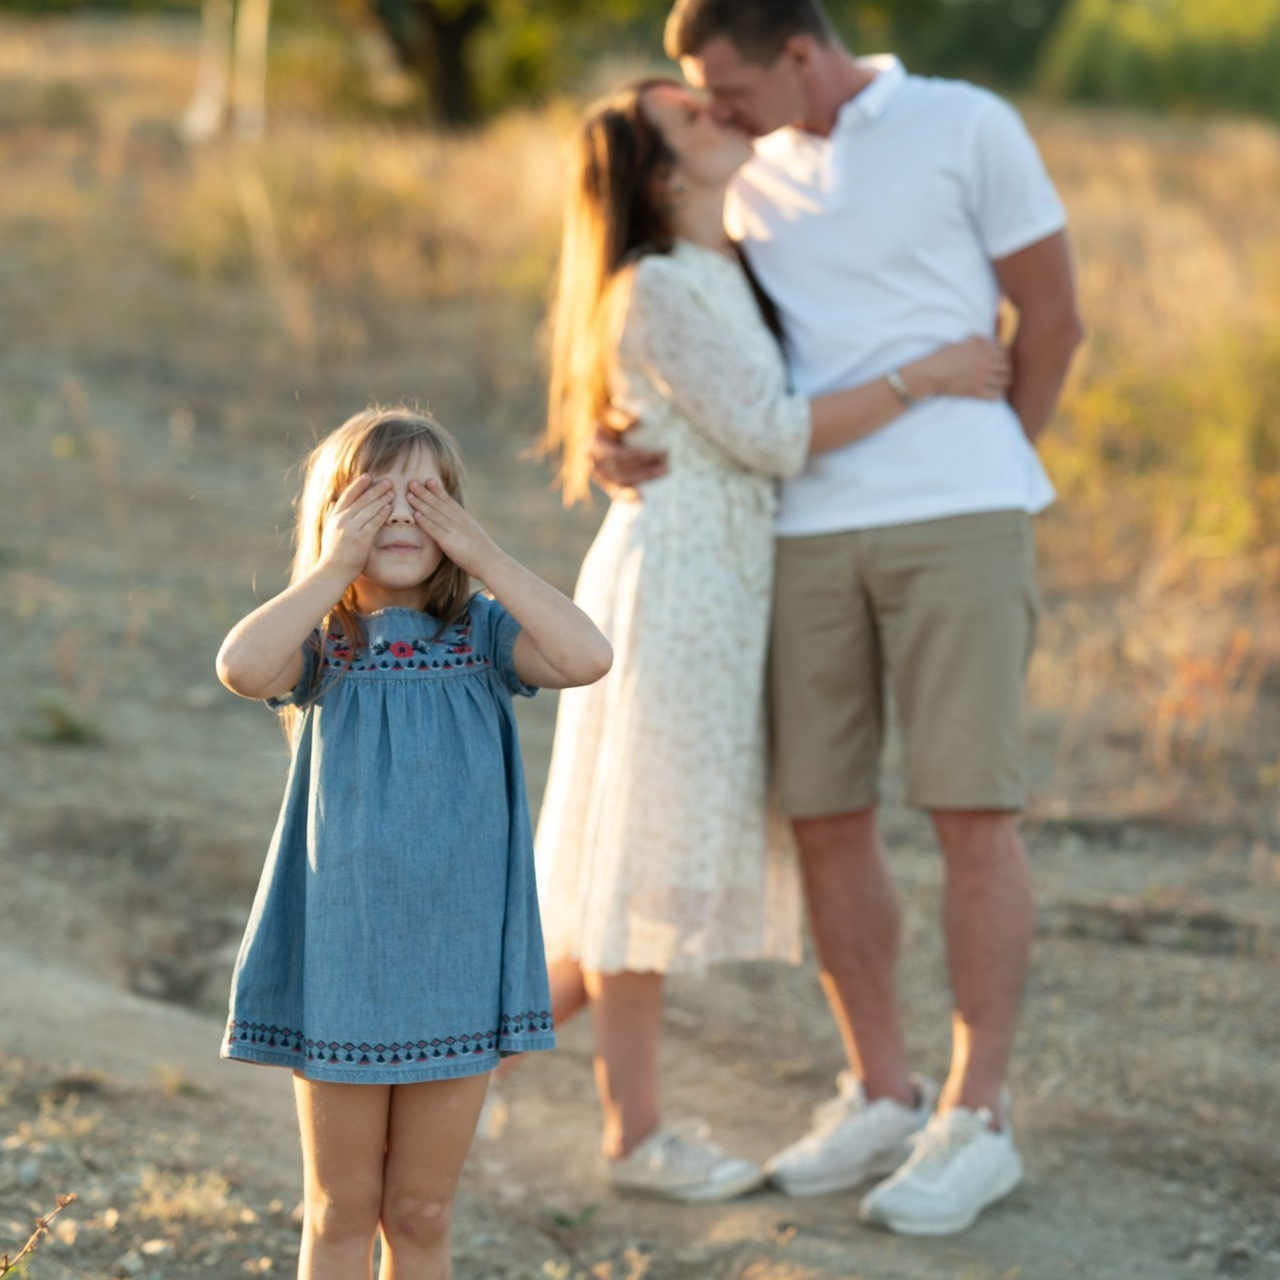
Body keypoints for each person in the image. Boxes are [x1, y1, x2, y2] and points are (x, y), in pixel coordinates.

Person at [596, 0, 1083, 1237]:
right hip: (797, 530)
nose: (718, 113)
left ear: (799, 54)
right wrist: (620, 427)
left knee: (970, 806)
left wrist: (979, 461)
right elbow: (693, 313)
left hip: (954, 516)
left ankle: (976, 1115)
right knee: (823, 816)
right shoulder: (748, 176)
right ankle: (881, 1085)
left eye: (729, 88)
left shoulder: (963, 124)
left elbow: (1053, 318)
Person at [525, 76, 1013, 1205]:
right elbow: (775, 433)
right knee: (638, 863)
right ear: (658, 176)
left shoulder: (731, 257)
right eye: (686, 116)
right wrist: (927, 372)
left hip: (734, 590)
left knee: (646, 860)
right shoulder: (647, 288)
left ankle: (442, 1056)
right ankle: (631, 1131)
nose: (714, 111)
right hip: (677, 591)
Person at [215, 407, 611, 1280]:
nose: (400, 516)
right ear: (334, 518)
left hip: (457, 969)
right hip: (344, 965)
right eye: (373, 497)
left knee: (423, 1211)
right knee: (343, 1207)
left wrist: (487, 558)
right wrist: (332, 566)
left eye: (424, 497)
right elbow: (242, 668)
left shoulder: (485, 639)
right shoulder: (326, 646)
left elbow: (587, 655)